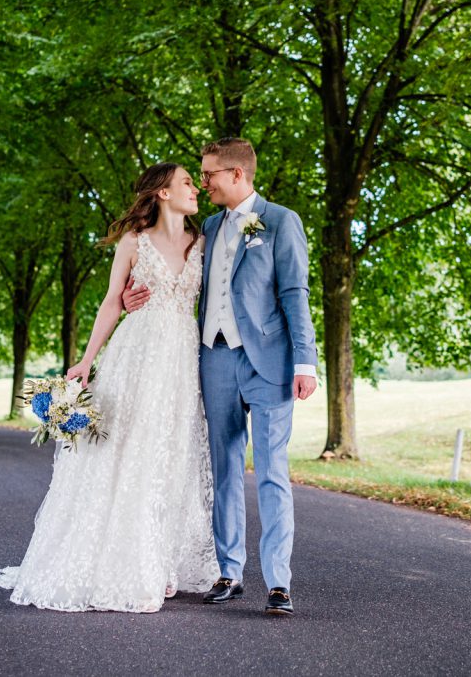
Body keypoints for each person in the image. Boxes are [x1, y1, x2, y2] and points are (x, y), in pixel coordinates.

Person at [0, 162, 220, 613]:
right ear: (163, 193)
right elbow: (113, 301)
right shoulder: (134, 242)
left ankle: (161, 561)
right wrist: (87, 360)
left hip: (181, 363)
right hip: (136, 355)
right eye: (187, 181)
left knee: (170, 457)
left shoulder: (204, 242)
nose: (196, 188)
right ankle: (124, 563)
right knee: (126, 453)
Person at [124, 138, 318, 616]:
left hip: (269, 361)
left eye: (209, 174)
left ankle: (278, 583)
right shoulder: (207, 226)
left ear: (237, 174)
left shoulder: (280, 221)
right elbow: (170, 269)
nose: (203, 181)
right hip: (213, 359)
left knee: (272, 471)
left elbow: (295, 292)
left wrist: (305, 361)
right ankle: (229, 571)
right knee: (224, 466)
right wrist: (132, 297)